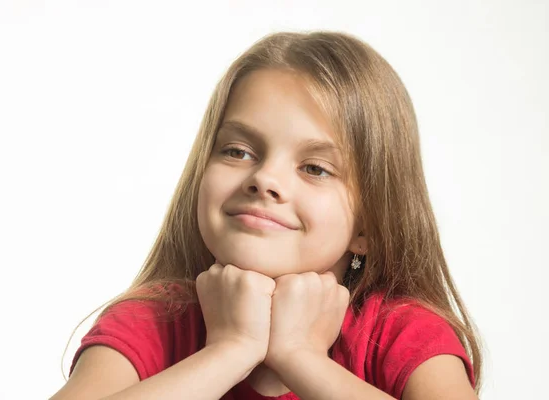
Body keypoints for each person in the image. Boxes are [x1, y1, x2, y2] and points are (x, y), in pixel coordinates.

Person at [50, 31, 482, 400]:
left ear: (368, 225)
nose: (264, 179)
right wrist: (230, 350)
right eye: (238, 151)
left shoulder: (402, 335)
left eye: (314, 168)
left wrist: (300, 357)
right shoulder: (154, 321)